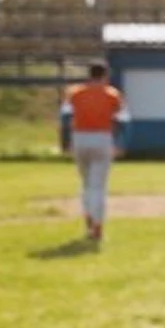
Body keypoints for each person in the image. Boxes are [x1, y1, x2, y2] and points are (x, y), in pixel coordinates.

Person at [59, 61, 129, 245]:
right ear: (105, 75)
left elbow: (65, 118)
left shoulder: (75, 93)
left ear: (89, 75)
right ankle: (97, 224)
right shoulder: (112, 94)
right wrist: (120, 143)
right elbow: (122, 120)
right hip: (102, 138)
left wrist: (65, 142)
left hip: (80, 138)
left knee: (86, 182)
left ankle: (88, 217)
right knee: (98, 186)